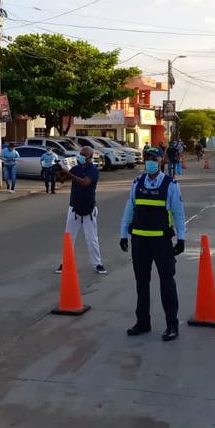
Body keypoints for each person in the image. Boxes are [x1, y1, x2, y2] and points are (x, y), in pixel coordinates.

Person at [119, 147, 187, 342]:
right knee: (142, 284)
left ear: (161, 160)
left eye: (153, 158)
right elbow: (129, 209)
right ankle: (142, 322)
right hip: (139, 241)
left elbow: (178, 214)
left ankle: (172, 325)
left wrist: (181, 238)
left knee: (167, 283)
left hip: (161, 242)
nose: (149, 161)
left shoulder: (170, 184)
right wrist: (123, 234)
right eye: (147, 158)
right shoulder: (137, 183)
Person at [56, 146, 106, 275]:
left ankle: (98, 264)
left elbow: (85, 183)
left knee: (91, 238)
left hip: (89, 209)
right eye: (80, 154)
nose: (80, 157)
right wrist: (58, 171)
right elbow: (62, 179)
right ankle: (65, 262)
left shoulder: (93, 170)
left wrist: (69, 174)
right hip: (74, 208)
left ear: (89, 157)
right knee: (69, 238)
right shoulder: (76, 168)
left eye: (83, 155)